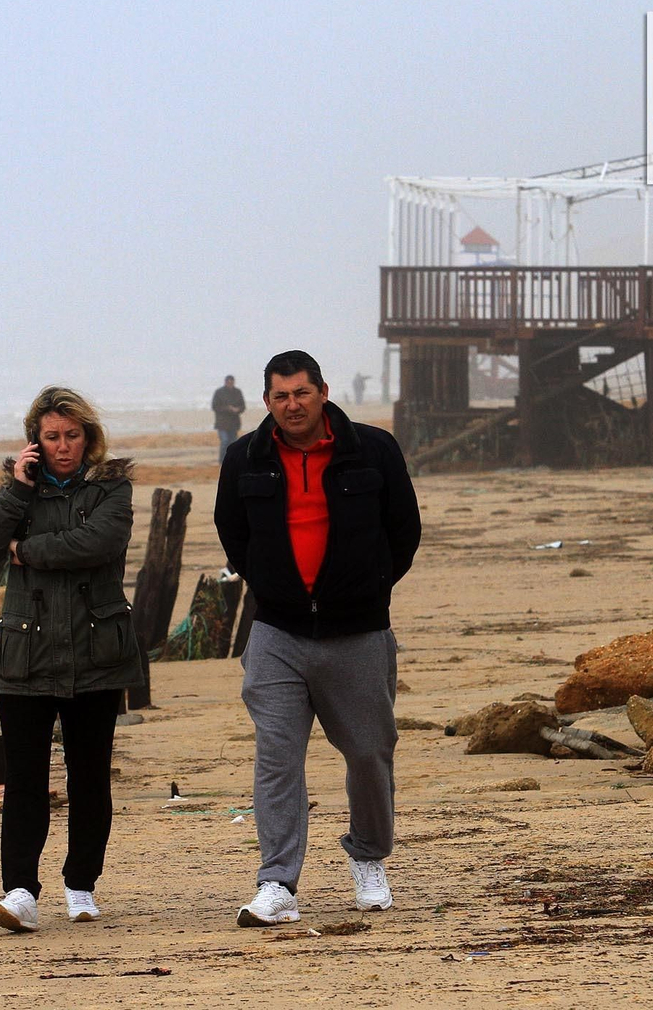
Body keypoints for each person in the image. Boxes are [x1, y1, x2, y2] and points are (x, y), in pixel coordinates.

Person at [214, 350, 420, 927]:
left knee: (369, 753)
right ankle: (277, 882)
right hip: (276, 632)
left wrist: (368, 587)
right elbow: (232, 531)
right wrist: (272, 585)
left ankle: (369, 856)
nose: (292, 405)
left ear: (323, 392)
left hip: (358, 631)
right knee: (277, 759)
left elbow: (404, 529)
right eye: (281, 396)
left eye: (302, 393)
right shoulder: (244, 457)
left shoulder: (374, 449)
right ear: (267, 401)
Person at [0, 386, 144, 933]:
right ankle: (20, 891)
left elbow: (97, 544)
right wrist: (17, 492)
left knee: (90, 777)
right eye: (51, 437)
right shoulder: (18, 492)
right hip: (27, 654)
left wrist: (26, 551)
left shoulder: (112, 487)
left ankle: (81, 884)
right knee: (24, 780)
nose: (63, 446)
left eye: (72, 435)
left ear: (88, 437)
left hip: (97, 651)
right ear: (34, 441)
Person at [210, 375, 246, 462]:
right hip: (222, 423)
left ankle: (231, 460)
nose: (230, 384)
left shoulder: (237, 392)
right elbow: (215, 406)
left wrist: (237, 409)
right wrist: (228, 408)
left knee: (233, 443)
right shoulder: (219, 392)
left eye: (231, 382)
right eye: (228, 382)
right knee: (224, 441)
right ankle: (222, 461)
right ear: (225, 382)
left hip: (234, 423)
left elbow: (243, 406)